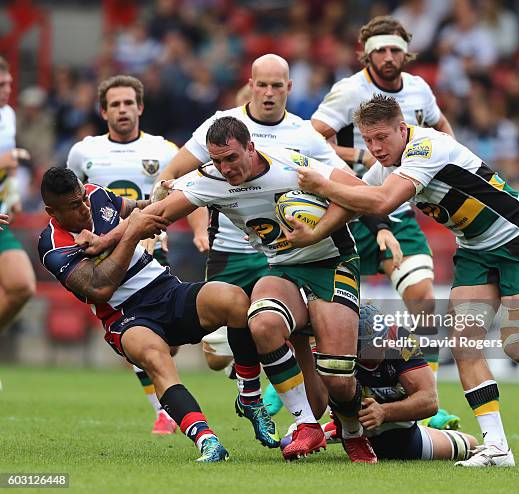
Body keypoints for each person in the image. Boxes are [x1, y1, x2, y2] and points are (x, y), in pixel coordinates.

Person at [293, 94, 519, 467]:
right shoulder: (387, 165)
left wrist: (322, 185)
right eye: (368, 141)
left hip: (518, 239)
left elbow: (381, 202)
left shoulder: (426, 147)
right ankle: (497, 447)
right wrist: (312, 232)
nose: (375, 148)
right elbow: (354, 203)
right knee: (464, 341)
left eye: (382, 138)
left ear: (403, 128)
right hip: (474, 249)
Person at [76, 116, 378, 463]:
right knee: (261, 321)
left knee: (336, 381)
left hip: (332, 263)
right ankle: (306, 425)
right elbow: (154, 214)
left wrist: (318, 229)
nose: (226, 168)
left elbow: (360, 194)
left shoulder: (289, 165)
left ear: (251, 148)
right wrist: (107, 239)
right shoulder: (211, 179)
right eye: (217, 160)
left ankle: (353, 432)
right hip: (281, 269)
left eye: (232, 158)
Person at [155, 54, 376, 417]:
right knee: (217, 354)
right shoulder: (222, 125)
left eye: (278, 86)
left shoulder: (304, 134)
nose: (270, 92)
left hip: (291, 250)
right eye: (263, 84)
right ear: (251, 84)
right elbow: (178, 176)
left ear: (289, 88)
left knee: (272, 326)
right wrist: (195, 227)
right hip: (230, 248)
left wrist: (371, 227)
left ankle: (302, 403)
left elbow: (349, 189)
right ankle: (285, 375)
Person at [38, 167, 253, 462]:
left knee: (234, 298)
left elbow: (137, 209)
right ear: (53, 211)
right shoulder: (52, 245)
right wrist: (132, 232)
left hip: (164, 288)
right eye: (74, 206)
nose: (85, 207)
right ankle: (207, 440)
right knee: (154, 356)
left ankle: (250, 395)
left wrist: (159, 200)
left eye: (83, 199)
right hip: (125, 316)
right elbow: (99, 287)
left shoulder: (96, 194)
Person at [311, 17, 458, 428]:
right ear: (367, 53)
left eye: (395, 50)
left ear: (405, 52)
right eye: (380, 51)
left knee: (424, 301)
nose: (388, 57)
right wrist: (359, 159)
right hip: (354, 206)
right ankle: (304, 397)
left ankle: (428, 395)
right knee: (335, 311)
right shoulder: (349, 90)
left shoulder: (419, 89)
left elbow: (443, 129)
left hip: (397, 205)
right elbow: (313, 137)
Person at [67, 75, 180, 434]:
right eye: (114, 104)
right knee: (139, 333)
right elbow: (66, 204)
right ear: (103, 111)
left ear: (140, 107)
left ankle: (166, 398)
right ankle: (163, 410)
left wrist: (195, 232)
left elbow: (184, 195)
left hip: (152, 249)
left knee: (168, 341)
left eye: (128, 103)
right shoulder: (84, 152)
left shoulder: (165, 150)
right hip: (106, 258)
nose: (123, 110)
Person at [320, 304, 477, 461]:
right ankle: (341, 429)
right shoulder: (339, 352)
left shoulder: (401, 339)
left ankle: (430, 425)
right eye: (375, 342)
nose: (384, 343)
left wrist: (384, 412)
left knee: (472, 444)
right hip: (355, 424)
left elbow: (430, 400)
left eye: (383, 336)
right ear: (356, 347)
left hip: (403, 436)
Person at [0, 56, 36, 338]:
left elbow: (8, 168)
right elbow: (6, 161)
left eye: (9, 83)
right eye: (1, 85)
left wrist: (11, 192)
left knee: (22, 285)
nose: (7, 90)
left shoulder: (8, 116)